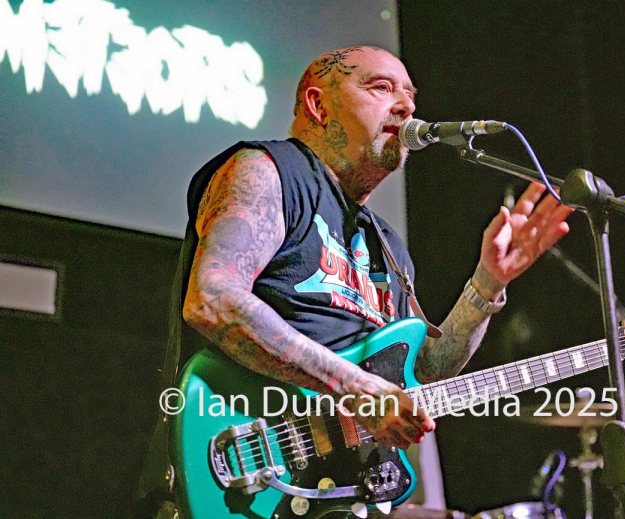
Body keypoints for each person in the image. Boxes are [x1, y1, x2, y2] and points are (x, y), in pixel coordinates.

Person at [134, 45, 572, 518]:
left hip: (337, 495)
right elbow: (213, 298)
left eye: (410, 95)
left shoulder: (387, 245)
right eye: (381, 88)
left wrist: (488, 284)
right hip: (243, 456)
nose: (406, 107)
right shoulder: (269, 171)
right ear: (319, 106)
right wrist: (357, 389)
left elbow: (423, 374)